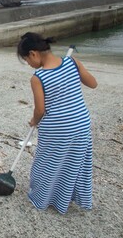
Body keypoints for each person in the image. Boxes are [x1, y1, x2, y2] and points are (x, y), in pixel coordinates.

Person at [17, 32, 98, 214]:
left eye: (26, 60)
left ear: (33, 54)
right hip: (81, 124)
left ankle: (42, 198)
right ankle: (67, 198)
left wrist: (33, 121)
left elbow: (40, 110)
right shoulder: (72, 63)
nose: (29, 64)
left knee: (47, 164)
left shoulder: (38, 77)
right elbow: (92, 84)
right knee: (73, 164)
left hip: (57, 128)